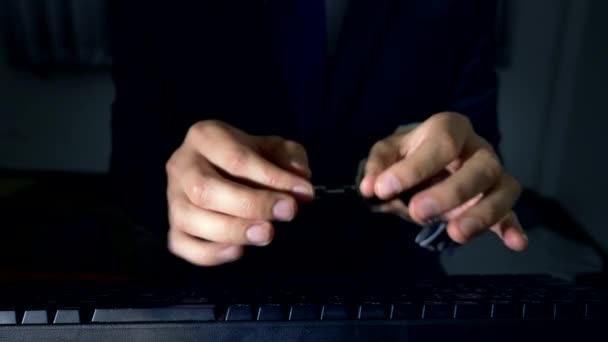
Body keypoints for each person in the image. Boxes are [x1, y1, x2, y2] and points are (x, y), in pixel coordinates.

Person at [108, 0, 527, 281]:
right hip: (209, 300)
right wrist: (180, 200)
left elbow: (475, 150)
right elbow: (134, 166)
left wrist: (442, 182)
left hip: (394, 301)